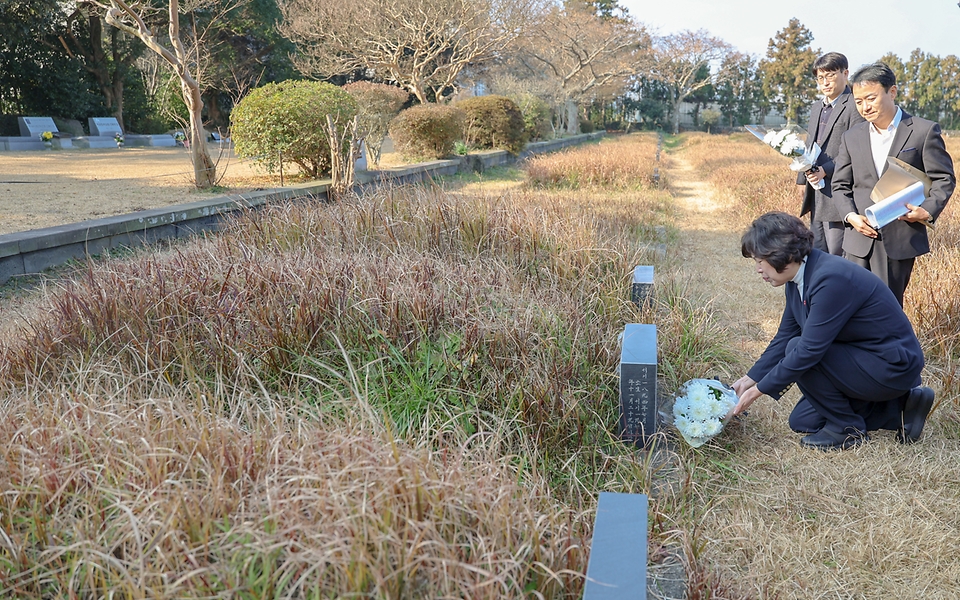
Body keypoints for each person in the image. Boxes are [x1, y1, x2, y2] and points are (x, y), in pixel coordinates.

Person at [730, 212, 934, 451]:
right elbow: (784, 334)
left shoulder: (830, 278)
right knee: (803, 421)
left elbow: (809, 349)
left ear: (779, 252)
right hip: (861, 359)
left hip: (890, 365)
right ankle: (899, 409)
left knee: (798, 349)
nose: (758, 269)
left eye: (759, 260)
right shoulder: (800, 276)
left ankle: (847, 430)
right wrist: (749, 379)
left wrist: (759, 390)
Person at [832, 62, 956, 306]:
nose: (865, 107)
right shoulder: (852, 136)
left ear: (892, 92)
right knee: (848, 306)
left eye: (871, 98)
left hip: (898, 237)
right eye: (858, 101)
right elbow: (840, 185)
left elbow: (944, 178)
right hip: (858, 238)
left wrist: (927, 211)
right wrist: (850, 216)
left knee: (886, 309)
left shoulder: (922, 131)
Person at [797, 52, 865, 255]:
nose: (825, 82)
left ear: (845, 73)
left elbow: (855, 149)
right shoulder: (817, 107)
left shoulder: (854, 105)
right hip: (815, 188)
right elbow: (810, 142)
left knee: (836, 250)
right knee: (816, 248)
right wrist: (801, 178)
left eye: (830, 75)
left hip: (838, 188)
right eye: (820, 77)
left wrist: (826, 170)